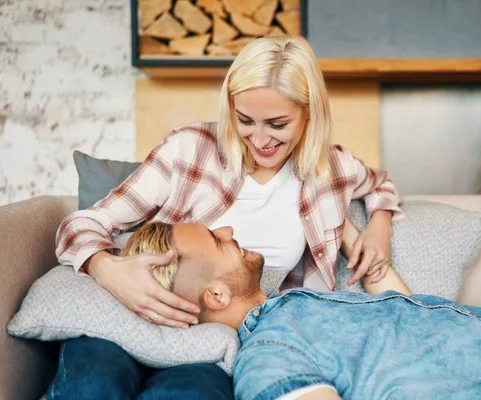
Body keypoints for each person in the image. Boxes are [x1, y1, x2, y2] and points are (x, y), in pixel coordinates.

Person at [50, 36, 404, 398]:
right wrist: (106, 269)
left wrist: (380, 224)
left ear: (308, 112)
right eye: (245, 120)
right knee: (92, 387)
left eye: (277, 124)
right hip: (125, 319)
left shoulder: (330, 169)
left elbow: (381, 186)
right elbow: (81, 224)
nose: (260, 139)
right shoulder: (191, 149)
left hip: (210, 343)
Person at [120, 220, 481, 400]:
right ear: (216, 296)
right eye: (214, 239)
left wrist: (351, 232)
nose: (226, 229)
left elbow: (408, 318)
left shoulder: (292, 306)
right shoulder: (267, 357)